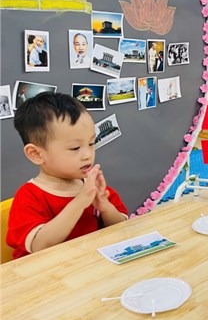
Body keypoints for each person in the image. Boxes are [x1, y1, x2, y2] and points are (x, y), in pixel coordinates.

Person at [7, 92, 128, 259]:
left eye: (91, 143)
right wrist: (80, 202)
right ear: (36, 154)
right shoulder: (29, 196)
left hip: (89, 266)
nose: (88, 155)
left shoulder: (92, 188)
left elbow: (122, 228)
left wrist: (104, 206)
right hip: (47, 272)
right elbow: (40, 245)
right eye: (75, 148)